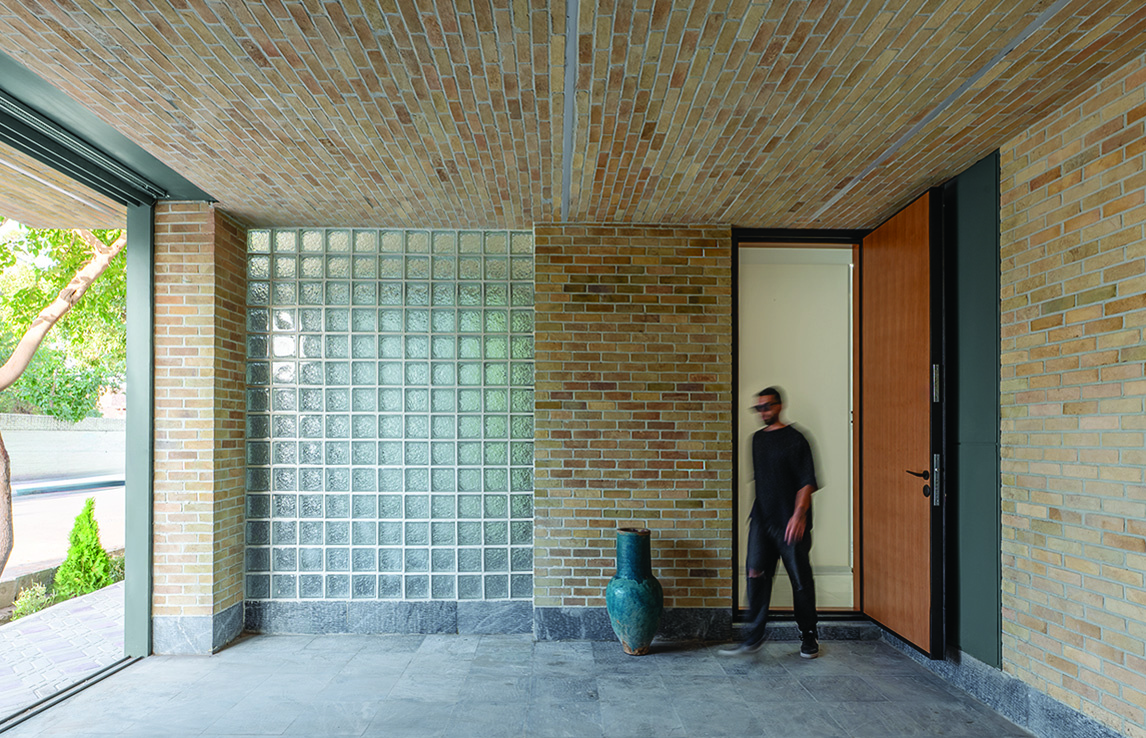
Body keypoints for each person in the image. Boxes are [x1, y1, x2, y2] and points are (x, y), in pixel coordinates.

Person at [721, 387, 820, 658]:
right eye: (758, 408)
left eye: (766, 407)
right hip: (762, 520)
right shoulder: (756, 440)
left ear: (779, 406)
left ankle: (809, 635)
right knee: (754, 572)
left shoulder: (797, 439)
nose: (762, 412)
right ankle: (754, 634)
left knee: (799, 579)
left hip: (790, 521)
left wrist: (799, 515)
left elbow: (806, 482)